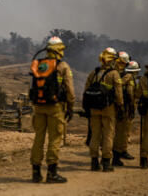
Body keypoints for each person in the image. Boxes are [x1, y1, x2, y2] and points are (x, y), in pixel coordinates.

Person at [29, 36, 75, 183]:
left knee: (39, 138)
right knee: (55, 139)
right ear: (60, 50)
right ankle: (51, 173)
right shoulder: (63, 66)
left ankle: (36, 173)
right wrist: (70, 107)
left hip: (38, 107)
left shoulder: (39, 64)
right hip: (55, 107)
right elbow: (70, 91)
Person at [84, 47, 123, 172]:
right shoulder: (114, 74)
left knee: (95, 135)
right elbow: (118, 94)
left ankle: (94, 162)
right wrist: (120, 106)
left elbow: (85, 91)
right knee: (108, 135)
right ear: (112, 60)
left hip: (94, 109)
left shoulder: (93, 73)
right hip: (108, 109)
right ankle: (106, 163)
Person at [113, 59, 141, 166]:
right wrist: (131, 108)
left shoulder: (121, 76)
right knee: (121, 133)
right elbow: (130, 93)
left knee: (117, 131)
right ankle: (116, 156)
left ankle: (117, 153)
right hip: (125, 109)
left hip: (118, 107)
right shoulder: (129, 78)